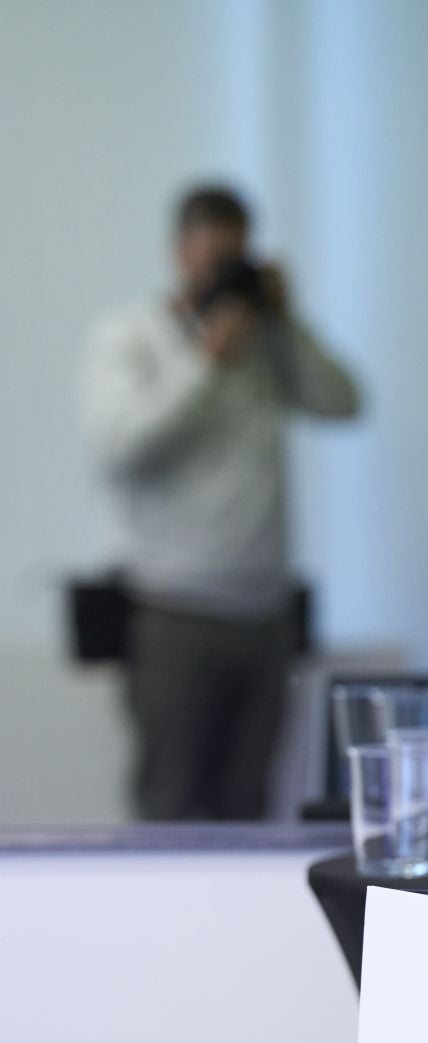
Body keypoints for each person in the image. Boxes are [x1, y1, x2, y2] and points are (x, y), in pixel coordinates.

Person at [79, 184, 360, 819]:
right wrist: (203, 360)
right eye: (214, 260)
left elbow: (344, 402)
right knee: (171, 806)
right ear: (179, 252)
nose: (225, 275)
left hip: (266, 616)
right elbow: (120, 447)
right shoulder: (132, 337)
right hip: (173, 613)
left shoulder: (265, 343)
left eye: (238, 260)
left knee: (250, 810)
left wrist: (287, 322)